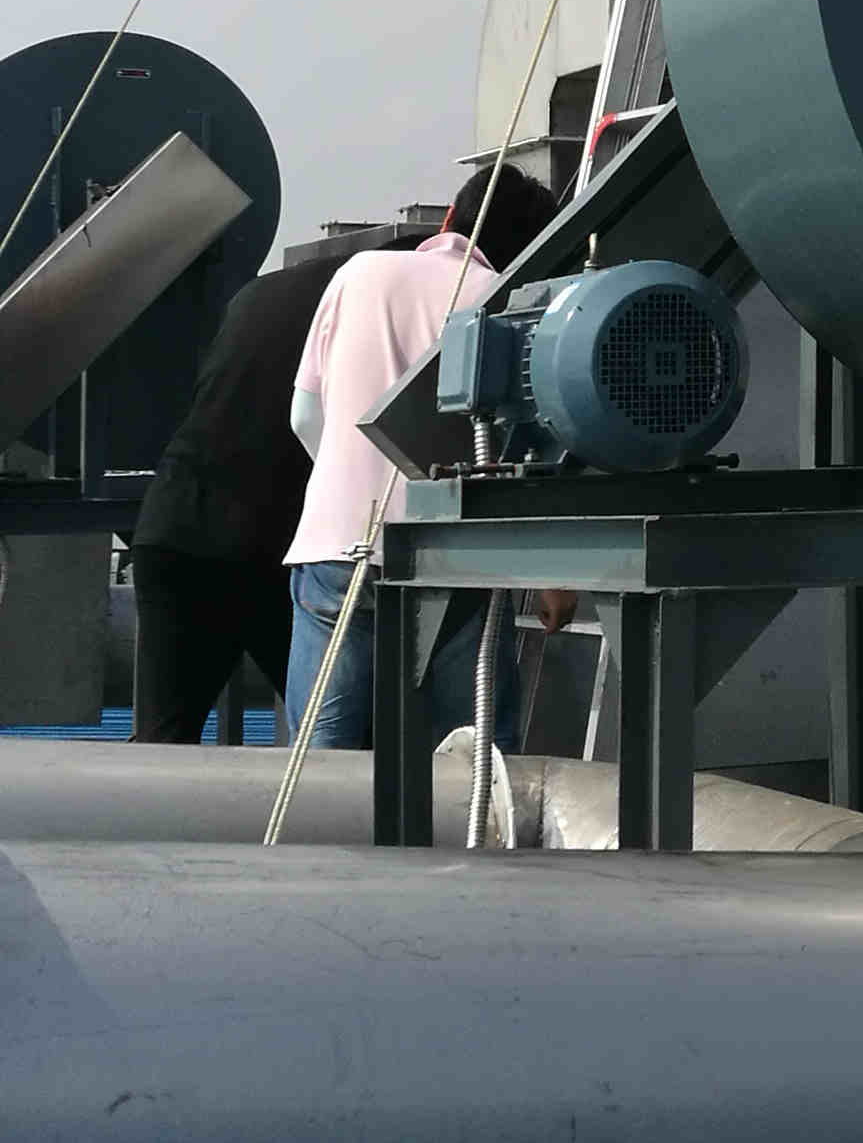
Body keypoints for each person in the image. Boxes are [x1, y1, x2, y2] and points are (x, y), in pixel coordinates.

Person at [283, 166, 557, 749]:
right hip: (454, 556)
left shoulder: (359, 273)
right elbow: (530, 449)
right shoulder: (508, 303)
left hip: (338, 545)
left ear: (450, 218)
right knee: (471, 755)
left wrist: (348, 483)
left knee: (321, 758)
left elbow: (304, 417)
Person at [128, 234, 413, 743]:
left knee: (162, 746)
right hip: (270, 547)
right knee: (341, 744)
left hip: (177, 526)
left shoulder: (263, 291)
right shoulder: (377, 305)